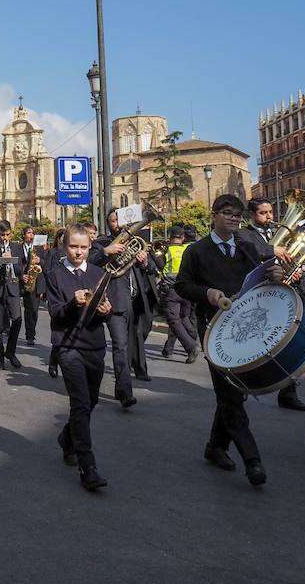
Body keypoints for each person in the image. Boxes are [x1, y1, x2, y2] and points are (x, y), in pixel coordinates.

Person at [175, 193, 284, 487]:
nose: (234, 218)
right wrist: (207, 293)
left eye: (237, 214)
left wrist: (274, 274)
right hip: (213, 329)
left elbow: (260, 279)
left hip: (246, 327)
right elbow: (182, 284)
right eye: (227, 213)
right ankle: (253, 461)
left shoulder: (248, 247)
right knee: (231, 394)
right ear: (213, 215)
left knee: (232, 391)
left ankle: (216, 447)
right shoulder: (196, 250)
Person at [45, 224, 113, 491]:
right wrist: (74, 303)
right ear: (65, 246)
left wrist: (107, 311)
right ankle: (88, 466)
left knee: (92, 401)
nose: (78, 252)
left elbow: (106, 309)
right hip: (67, 345)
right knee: (81, 403)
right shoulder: (55, 275)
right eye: (74, 246)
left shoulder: (98, 273)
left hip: (94, 344)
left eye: (84, 247)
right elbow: (56, 313)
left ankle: (66, 437)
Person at [235, 197, 305, 412]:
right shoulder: (243, 234)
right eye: (263, 213)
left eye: (270, 212)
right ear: (251, 215)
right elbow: (248, 251)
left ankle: (288, 392)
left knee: (288, 342)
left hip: (282, 295)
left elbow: (293, 259)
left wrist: (295, 273)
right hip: (259, 298)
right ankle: (243, 385)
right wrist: (272, 250)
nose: (270, 217)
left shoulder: (283, 235)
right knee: (254, 343)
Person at [95, 209, 156, 406]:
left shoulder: (137, 242)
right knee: (120, 346)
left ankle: (131, 376)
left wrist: (145, 262)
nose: (118, 224)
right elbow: (89, 263)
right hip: (116, 302)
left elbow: (153, 269)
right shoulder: (101, 244)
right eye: (113, 221)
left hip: (137, 301)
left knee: (133, 342)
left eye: (119, 220)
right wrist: (106, 252)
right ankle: (124, 392)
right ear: (108, 224)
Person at [0, 220, 25, 370]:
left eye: (7, 234)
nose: (5, 238)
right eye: (2, 235)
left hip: (12, 287)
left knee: (17, 319)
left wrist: (12, 262)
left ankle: (10, 351)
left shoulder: (16, 247)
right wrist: (1, 262)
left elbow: (21, 269)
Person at [159, 226, 199, 363]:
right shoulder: (187, 250)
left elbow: (158, 267)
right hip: (186, 290)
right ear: (183, 238)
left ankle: (191, 347)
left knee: (174, 321)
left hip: (172, 290)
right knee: (184, 318)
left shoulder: (166, 251)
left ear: (170, 237)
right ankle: (195, 338)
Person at [21, 226, 45, 345]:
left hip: (35, 282)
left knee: (34, 310)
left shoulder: (39, 248)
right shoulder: (19, 248)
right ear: (24, 235)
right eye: (29, 233)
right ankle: (29, 335)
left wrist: (40, 260)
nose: (31, 235)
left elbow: (46, 264)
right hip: (24, 282)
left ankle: (32, 331)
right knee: (28, 310)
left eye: (33, 233)